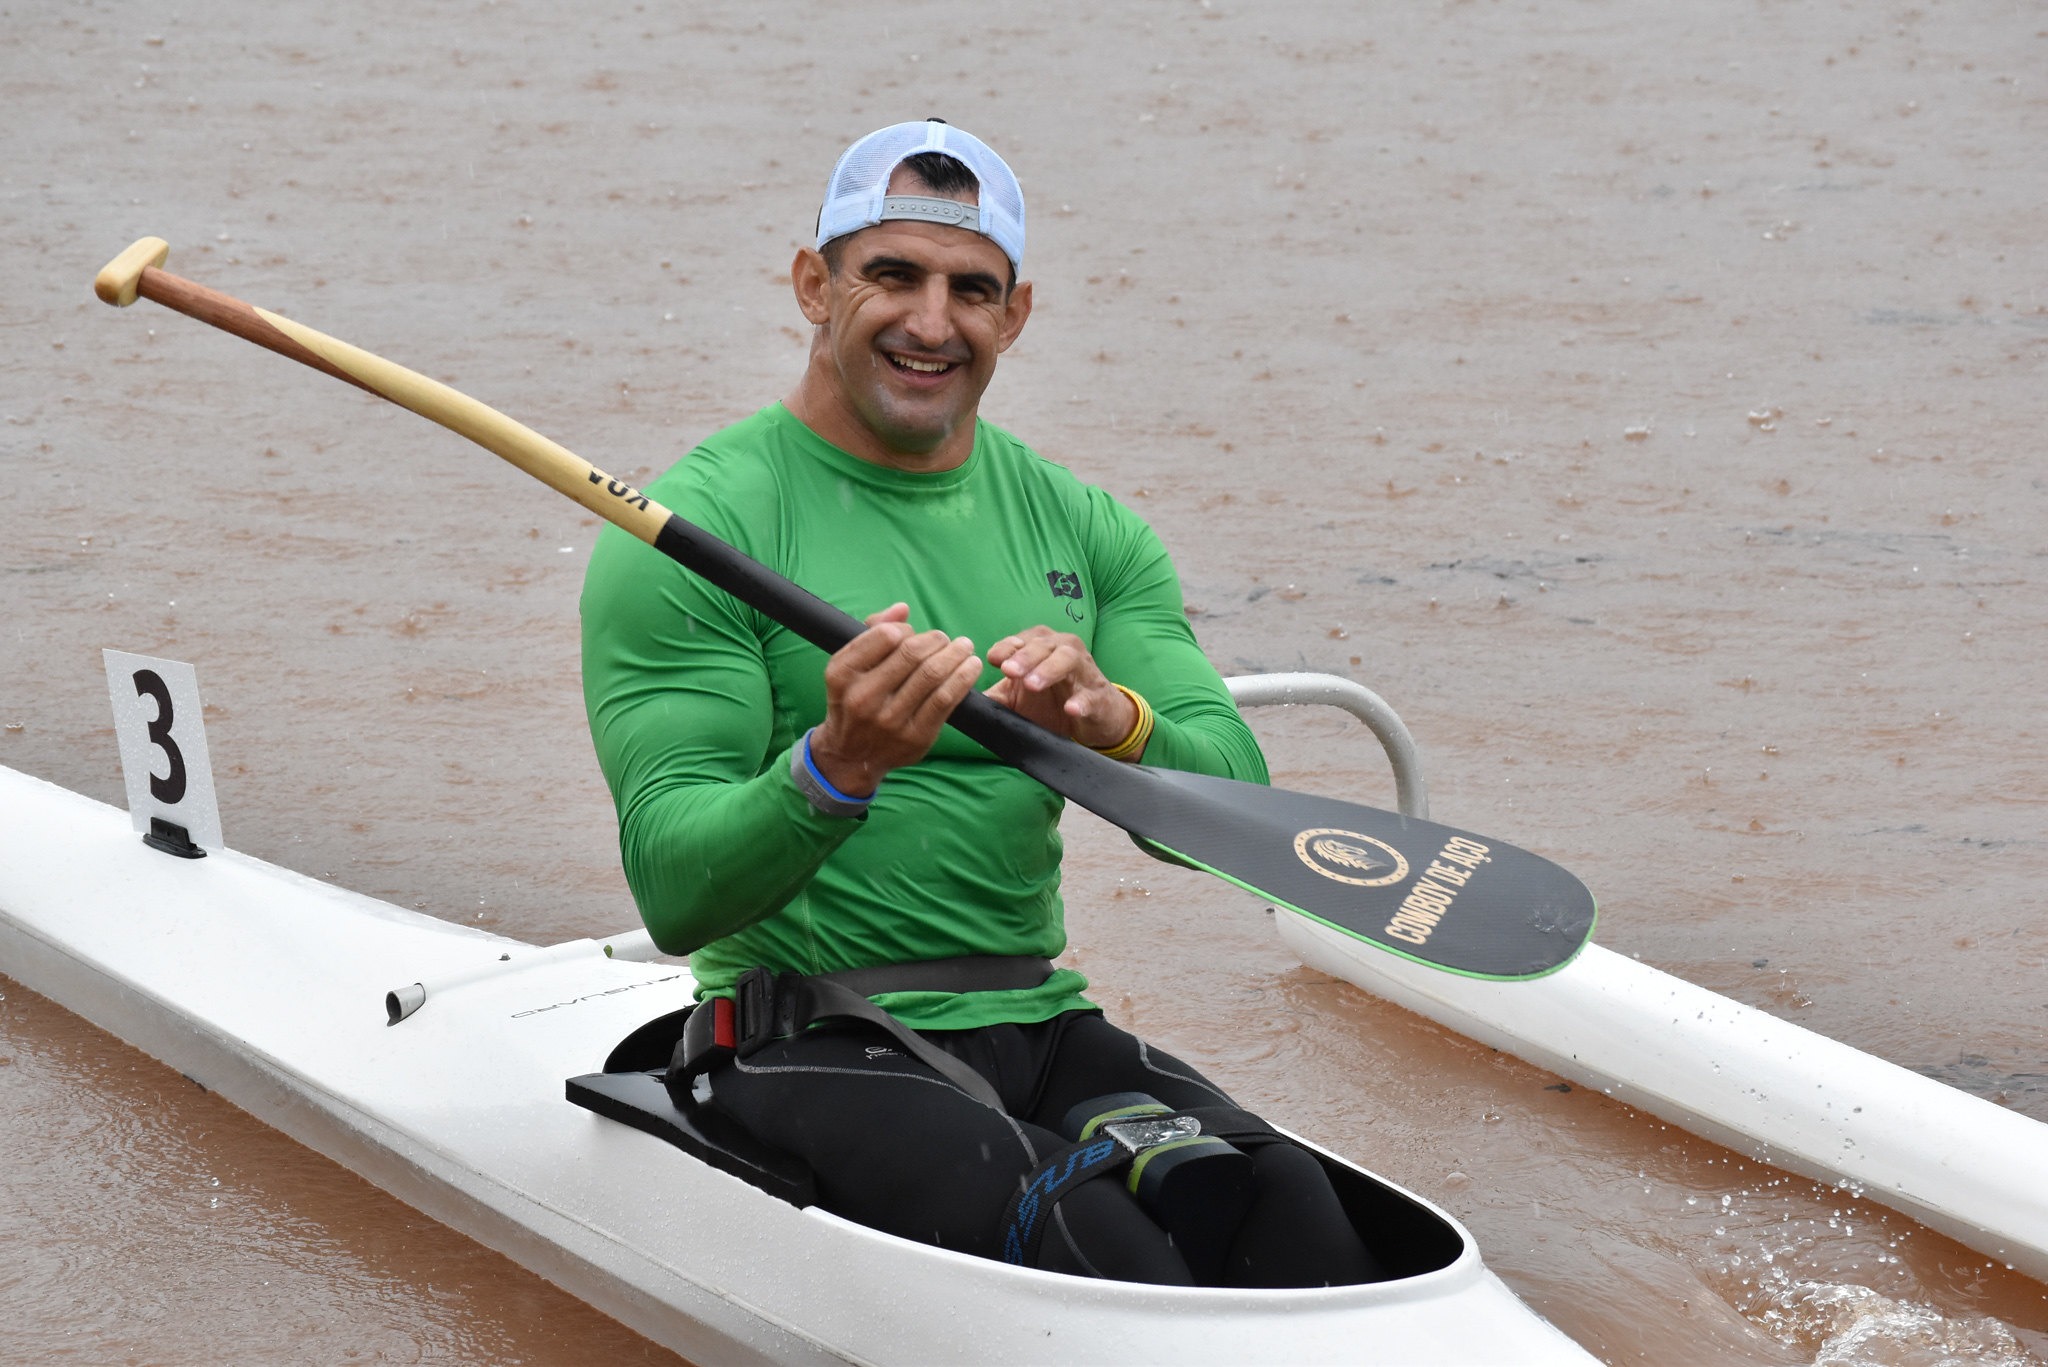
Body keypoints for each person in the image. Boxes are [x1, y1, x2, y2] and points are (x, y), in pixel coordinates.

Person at [580, 119, 1379, 1287]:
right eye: (890, 275)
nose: (930, 322)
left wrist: (1118, 726)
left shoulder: (1084, 528)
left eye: (971, 288)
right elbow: (674, 885)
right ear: (813, 284)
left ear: (1015, 314)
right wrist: (834, 766)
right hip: (802, 1035)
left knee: (1289, 1209)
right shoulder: (695, 536)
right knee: (1105, 1248)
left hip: (1039, 1023)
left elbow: (1231, 804)